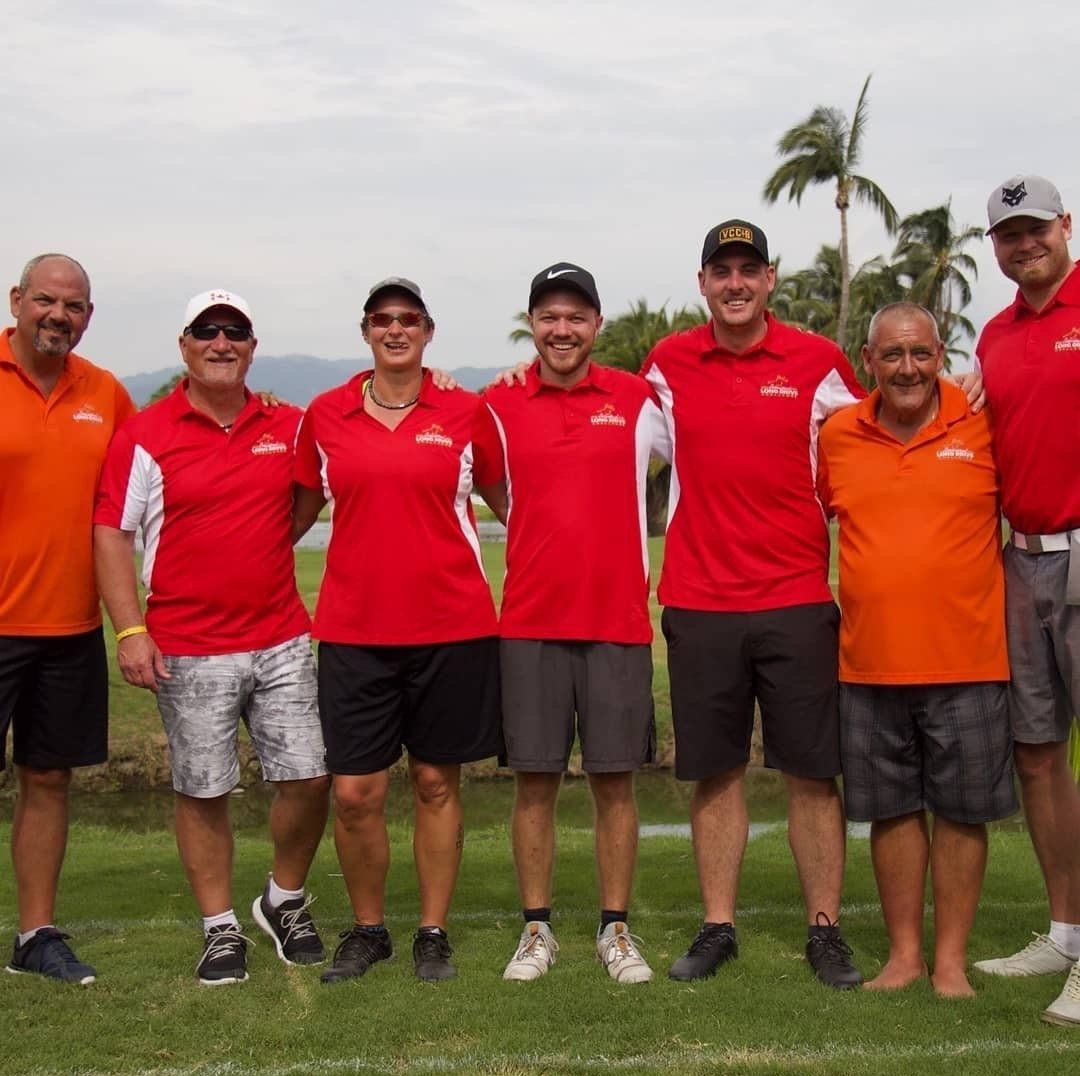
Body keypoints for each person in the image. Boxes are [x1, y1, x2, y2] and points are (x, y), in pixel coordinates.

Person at [638, 219, 866, 988]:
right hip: (700, 602)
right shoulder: (667, 365)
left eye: (748, 269)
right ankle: (717, 925)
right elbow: (608, 429)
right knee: (717, 772)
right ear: (702, 282)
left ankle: (825, 929)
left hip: (798, 599)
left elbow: (875, 436)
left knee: (811, 774)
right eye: (720, 270)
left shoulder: (817, 362)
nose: (735, 283)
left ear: (770, 279)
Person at [93, 289, 331, 986]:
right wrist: (130, 628)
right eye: (208, 331)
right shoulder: (146, 432)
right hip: (187, 643)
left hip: (282, 635)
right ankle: (219, 927)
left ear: (252, 347)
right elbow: (112, 531)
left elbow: (311, 491)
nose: (222, 342)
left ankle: (282, 899)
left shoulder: (287, 424)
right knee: (203, 790)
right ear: (185, 345)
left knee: (311, 777)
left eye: (236, 332)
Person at [292, 277, 506, 984]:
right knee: (356, 793)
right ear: (365, 332)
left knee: (437, 782)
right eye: (382, 319)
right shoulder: (324, 415)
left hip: (452, 626)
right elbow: (291, 516)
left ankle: (432, 933)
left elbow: (510, 503)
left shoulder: (466, 410)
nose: (395, 329)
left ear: (427, 330)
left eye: (407, 319)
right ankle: (369, 928)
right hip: (354, 632)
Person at [818, 302, 1015, 998]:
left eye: (921, 354)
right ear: (868, 361)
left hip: (970, 658)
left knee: (962, 812)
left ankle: (951, 962)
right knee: (893, 810)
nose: (907, 369)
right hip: (869, 663)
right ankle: (904, 956)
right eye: (892, 355)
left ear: (941, 355)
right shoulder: (838, 434)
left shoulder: (983, 421)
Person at [485, 264, 669, 985]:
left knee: (614, 782)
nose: (562, 329)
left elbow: (708, 456)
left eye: (576, 316)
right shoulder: (496, 403)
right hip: (529, 619)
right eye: (548, 316)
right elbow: (487, 481)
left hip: (617, 619)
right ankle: (537, 931)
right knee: (534, 783)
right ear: (532, 323)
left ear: (597, 325)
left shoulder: (638, 399)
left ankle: (613, 930)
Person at [0, 254, 136, 986]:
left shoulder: (106, 393)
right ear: (17, 300)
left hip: (68, 627)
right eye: (46, 301)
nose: (59, 315)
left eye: (74, 306)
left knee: (48, 779)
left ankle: (34, 936)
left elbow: (148, 481)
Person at [971, 175, 1080, 1027]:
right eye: (1008, 235)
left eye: (1035, 228)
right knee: (1039, 754)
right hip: (1023, 560)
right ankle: (1067, 930)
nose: (1023, 244)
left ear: (1065, 226)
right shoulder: (995, 337)